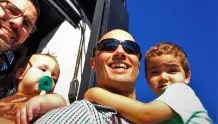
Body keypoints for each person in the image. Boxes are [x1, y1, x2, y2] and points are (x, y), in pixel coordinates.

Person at [16, 29, 142, 124]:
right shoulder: (84, 115)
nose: (120, 52)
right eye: (108, 46)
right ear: (93, 63)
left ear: (138, 68)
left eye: (130, 49)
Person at [84, 42, 212, 124]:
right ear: (147, 79)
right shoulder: (163, 112)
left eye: (172, 71)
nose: (163, 77)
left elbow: (145, 115)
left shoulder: (181, 91)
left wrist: (94, 93)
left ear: (187, 76)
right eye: (155, 72)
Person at [0, 53, 66, 122]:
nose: (49, 77)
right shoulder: (3, 100)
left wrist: (39, 103)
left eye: (54, 78)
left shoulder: (46, 99)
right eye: (42, 69)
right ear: (20, 73)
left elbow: (61, 101)